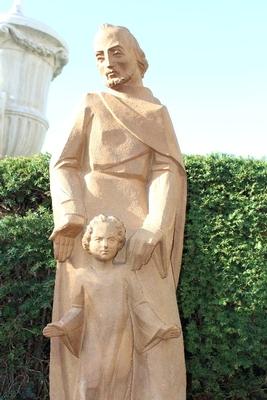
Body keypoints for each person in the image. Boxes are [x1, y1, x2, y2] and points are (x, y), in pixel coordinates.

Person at [49, 23, 187, 399]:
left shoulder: (157, 112)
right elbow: (63, 163)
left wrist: (156, 223)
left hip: (141, 219)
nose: (108, 63)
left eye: (116, 51)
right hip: (89, 223)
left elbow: (167, 169)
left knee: (152, 318)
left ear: (138, 57)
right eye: (99, 56)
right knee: (85, 317)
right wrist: (70, 217)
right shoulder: (91, 102)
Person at [44, 214, 181, 400]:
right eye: (99, 239)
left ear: (119, 243)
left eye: (111, 239)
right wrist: (62, 326)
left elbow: (140, 305)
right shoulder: (82, 277)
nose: (105, 245)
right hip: (92, 339)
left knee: (119, 381)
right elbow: (77, 309)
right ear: (87, 242)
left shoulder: (125, 274)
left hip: (122, 339)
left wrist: (159, 328)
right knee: (89, 383)